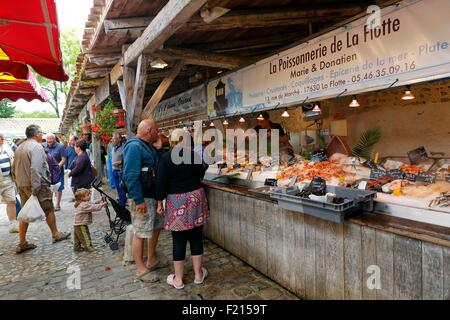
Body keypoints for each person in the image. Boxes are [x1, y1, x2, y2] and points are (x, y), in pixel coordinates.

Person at [155, 129, 209, 290]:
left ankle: (178, 279)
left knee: (178, 239)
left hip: (176, 201)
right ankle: (198, 274)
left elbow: (160, 183)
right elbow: (202, 171)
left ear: (172, 141)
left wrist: (159, 203)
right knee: (196, 236)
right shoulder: (193, 155)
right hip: (196, 197)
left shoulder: (165, 158)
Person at [13, 125, 70, 254]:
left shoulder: (20, 147)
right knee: (49, 208)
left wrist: (18, 184)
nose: (42, 135)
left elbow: (14, 167)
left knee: (25, 212)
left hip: (22, 184)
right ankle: (55, 234)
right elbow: (35, 168)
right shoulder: (37, 147)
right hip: (36, 184)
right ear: (37, 134)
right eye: (41, 133)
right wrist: (36, 187)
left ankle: (22, 242)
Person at [123, 119, 166, 283]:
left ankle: (152, 259)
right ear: (149, 131)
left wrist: (159, 149)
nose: (158, 132)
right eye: (156, 129)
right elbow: (130, 176)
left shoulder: (146, 146)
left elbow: (156, 165)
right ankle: (140, 269)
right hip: (142, 197)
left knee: (155, 227)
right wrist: (138, 199)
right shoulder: (134, 146)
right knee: (140, 232)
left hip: (152, 195)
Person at [73, 188, 107, 252]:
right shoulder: (84, 205)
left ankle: (77, 248)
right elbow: (93, 207)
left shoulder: (82, 202)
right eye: (88, 195)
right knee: (85, 236)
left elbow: (92, 203)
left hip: (77, 224)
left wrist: (100, 200)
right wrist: (102, 205)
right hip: (81, 224)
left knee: (78, 237)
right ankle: (89, 247)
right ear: (82, 198)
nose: (90, 196)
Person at [0, 132, 19, 233]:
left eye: (2, 138)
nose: (2, 140)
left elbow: (13, 160)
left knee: (11, 201)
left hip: (8, 179)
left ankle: (13, 224)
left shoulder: (7, 148)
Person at [43, 133, 67, 211]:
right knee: (49, 188)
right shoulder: (42, 146)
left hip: (58, 171)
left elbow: (63, 159)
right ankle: (51, 204)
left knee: (59, 187)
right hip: (47, 172)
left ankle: (58, 205)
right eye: (48, 139)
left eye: (51, 139)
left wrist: (56, 167)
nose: (49, 140)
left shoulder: (60, 146)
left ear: (54, 138)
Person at [111, 132, 126, 207]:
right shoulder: (113, 147)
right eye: (113, 138)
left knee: (121, 189)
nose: (113, 140)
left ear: (119, 139)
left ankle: (122, 205)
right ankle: (121, 203)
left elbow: (126, 159)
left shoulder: (124, 147)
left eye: (115, 138)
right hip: (114, 170)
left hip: (120, 171)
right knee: (118, 189)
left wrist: (119, 162)